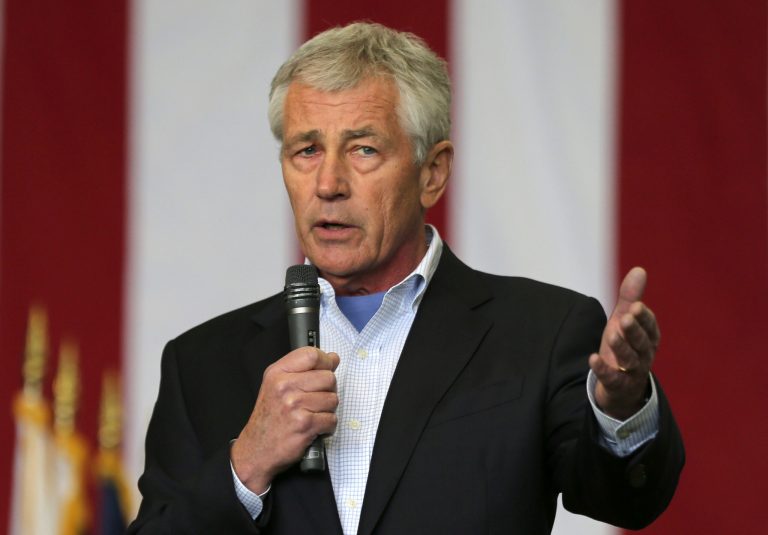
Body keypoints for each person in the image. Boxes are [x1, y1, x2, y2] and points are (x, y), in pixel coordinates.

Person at [128, 22, 684, 535]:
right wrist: (245, 464)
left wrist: (621, 405)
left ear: (432, 172)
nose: (328, 184)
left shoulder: (542, 332)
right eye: (307, 150)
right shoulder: (200, 364)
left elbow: (625, 502)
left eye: (363, 149)